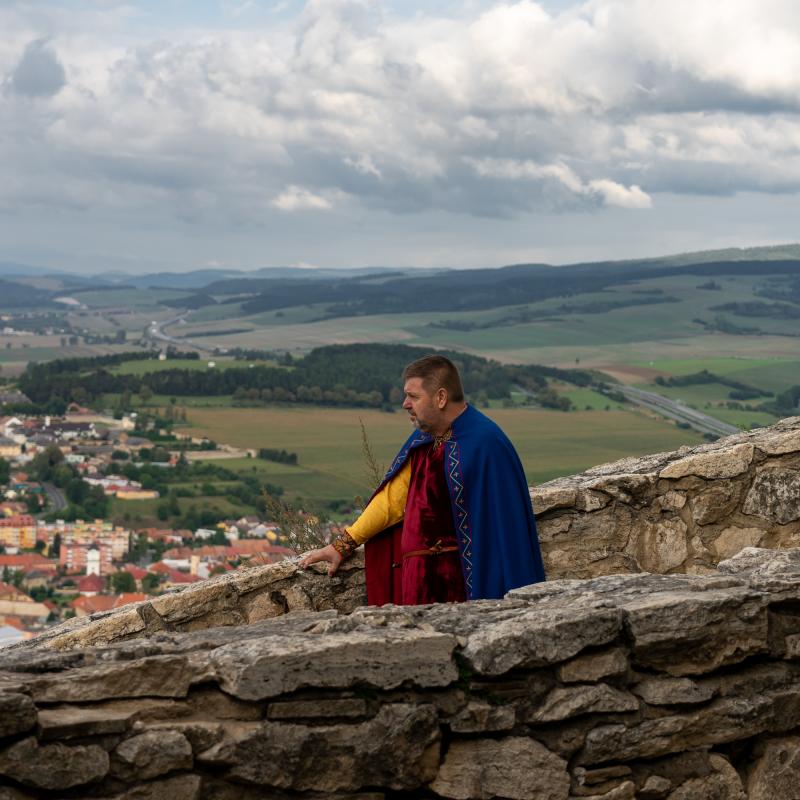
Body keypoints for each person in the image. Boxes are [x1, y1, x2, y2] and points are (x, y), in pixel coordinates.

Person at [299, 354, 545, 604]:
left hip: (462, 590)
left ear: (440, 397)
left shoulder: (486, 445)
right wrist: (342, 546)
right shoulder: (424, 441)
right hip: (418, 586)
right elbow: (392, 501)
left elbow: (505, 533)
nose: (405, 403)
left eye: (413, 396)